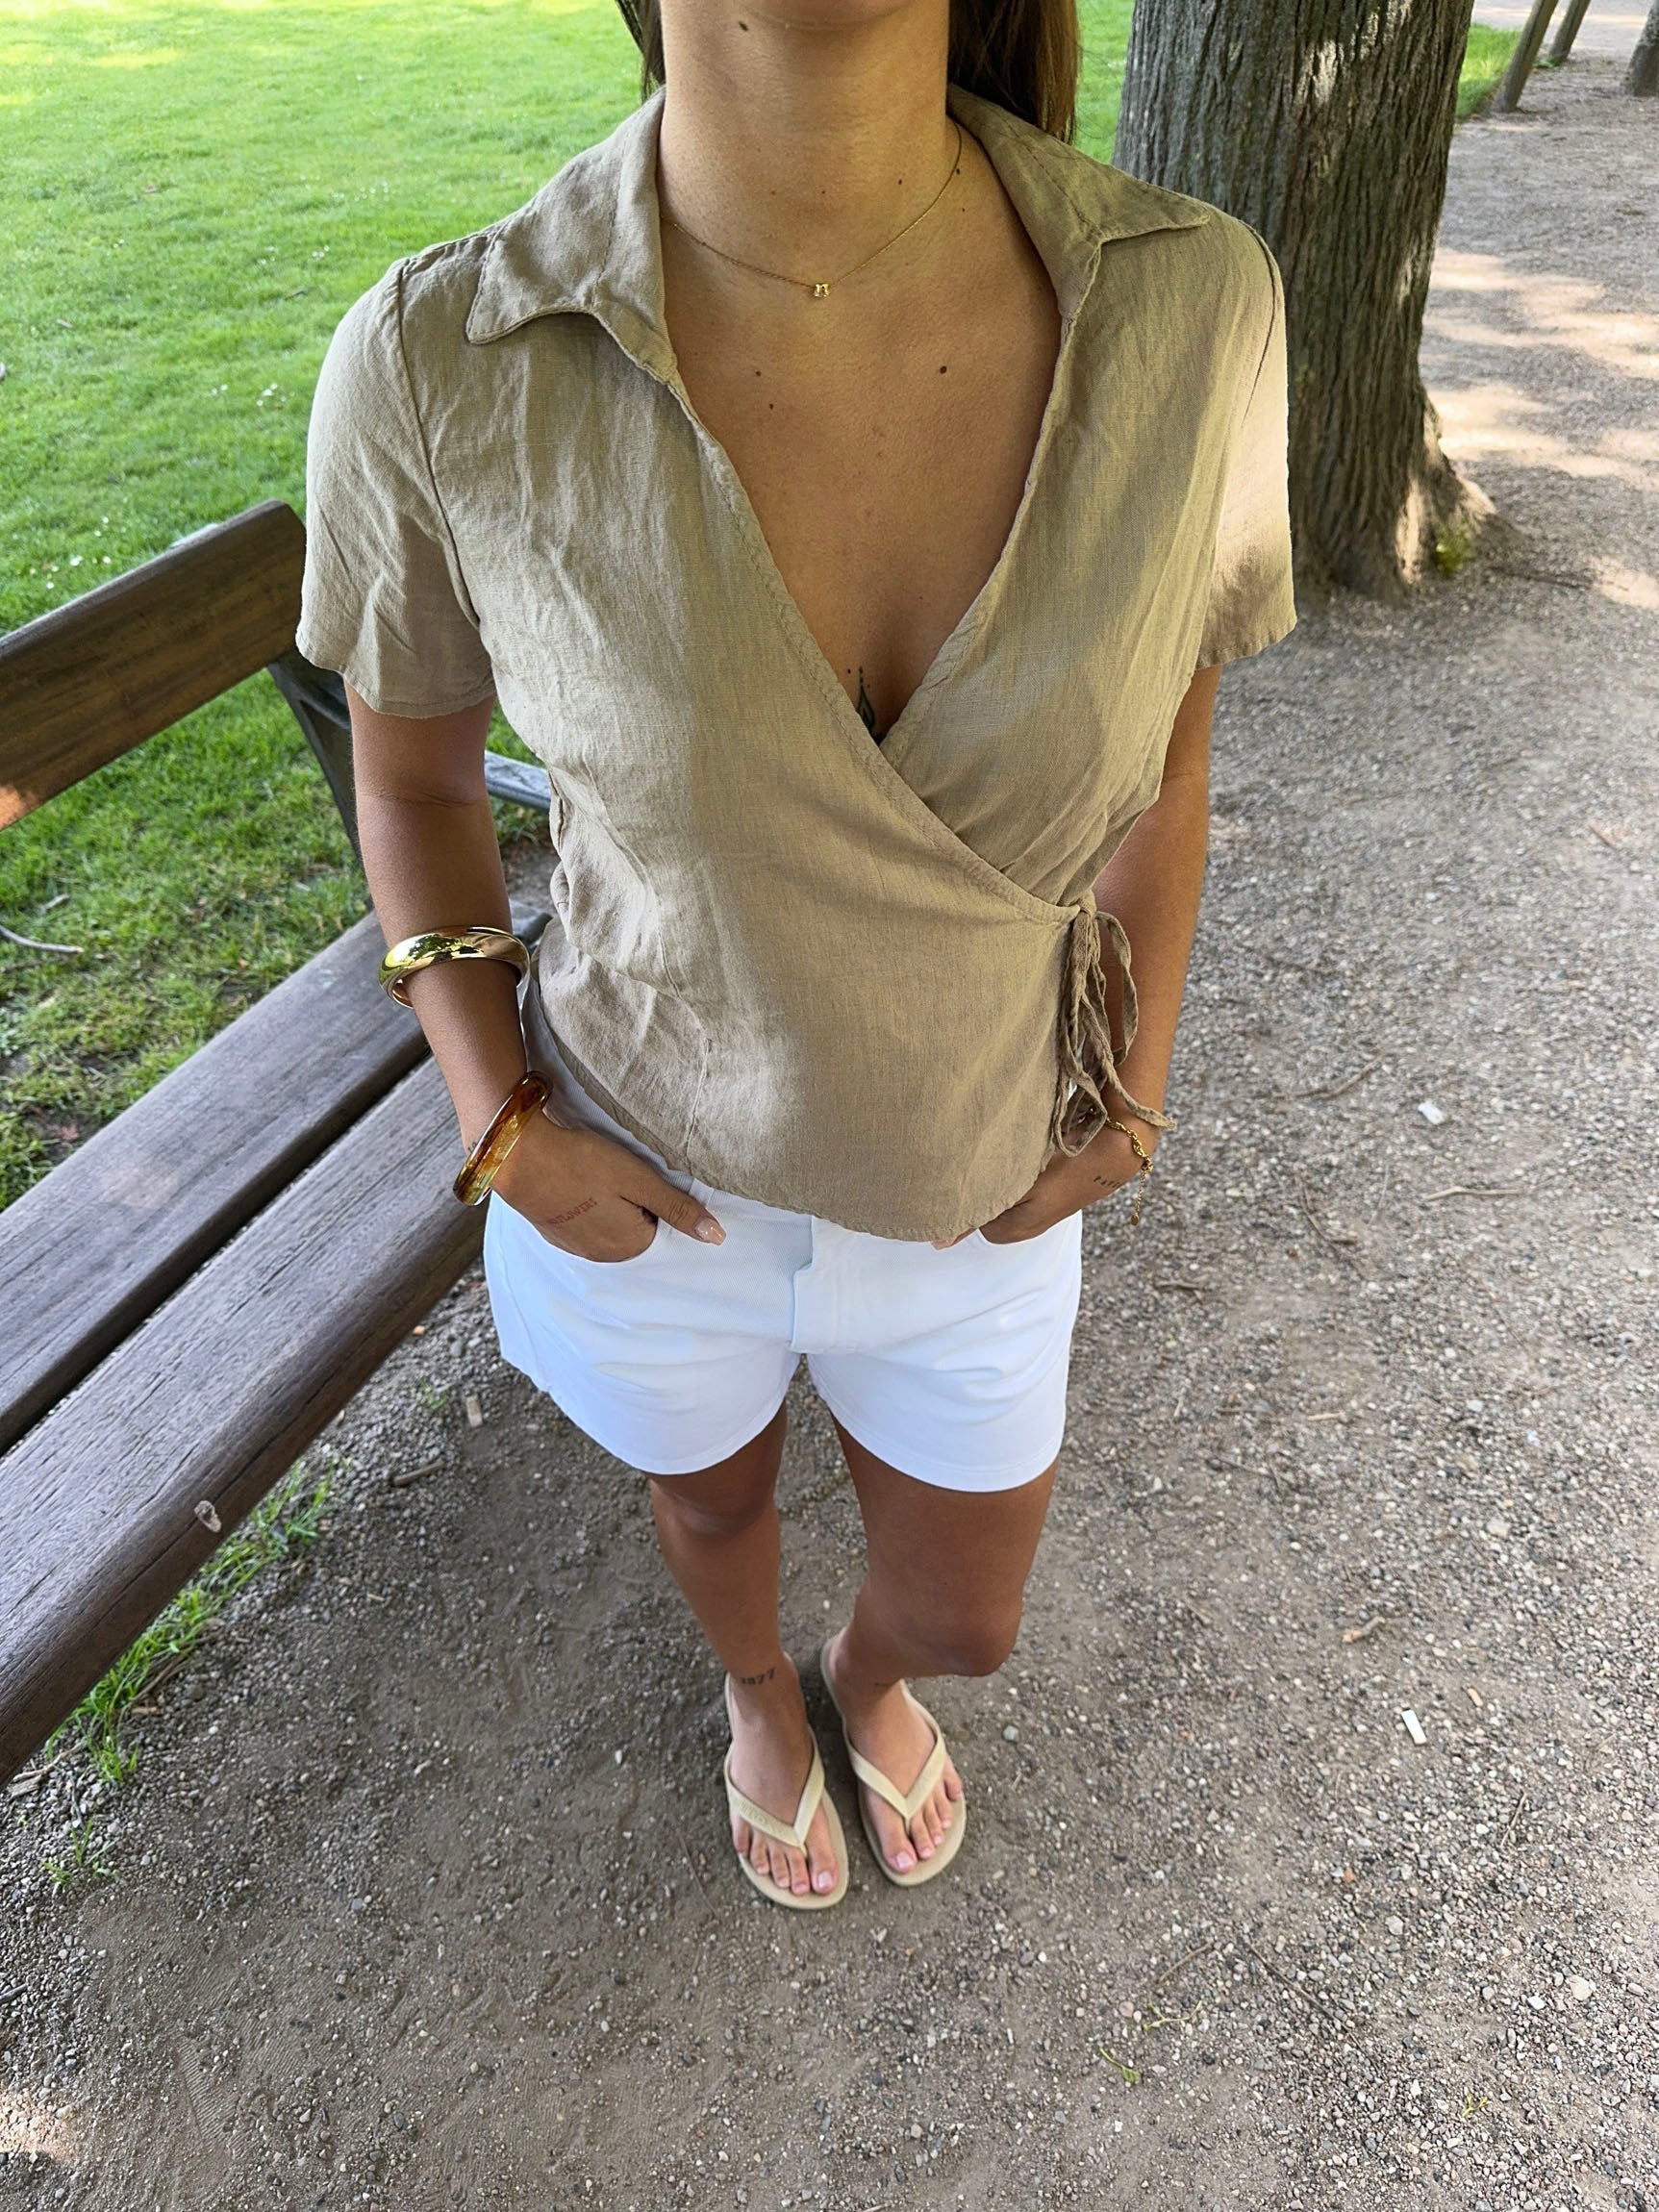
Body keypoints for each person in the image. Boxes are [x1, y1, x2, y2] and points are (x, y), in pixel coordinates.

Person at [295, 0, 1295, 1911]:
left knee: (968, 1615)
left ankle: (863, 1674)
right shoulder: (442, 357)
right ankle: (759, 1693)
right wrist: (497, 1118)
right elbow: (408, 778)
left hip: (982, 1166)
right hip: (643, 1171)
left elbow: (1166, 768)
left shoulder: (1193, 305)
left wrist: (1135, 1085)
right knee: (708, 1502)